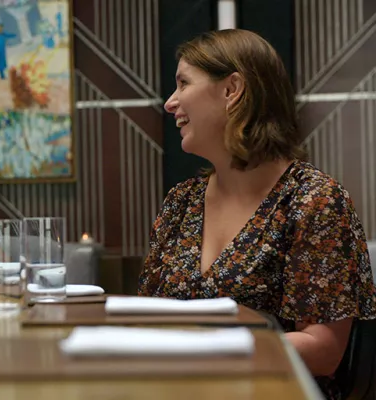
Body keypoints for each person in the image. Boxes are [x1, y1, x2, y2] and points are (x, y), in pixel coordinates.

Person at [138, 29, 376, 400]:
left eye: (183, 83)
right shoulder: (180, 203)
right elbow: (151, 322)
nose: (170, 103)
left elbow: (323, 350)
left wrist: (206, 349)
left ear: (232, 89)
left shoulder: (313, 200)